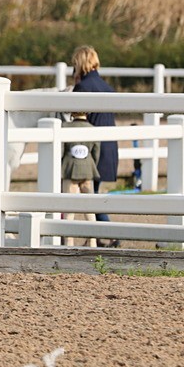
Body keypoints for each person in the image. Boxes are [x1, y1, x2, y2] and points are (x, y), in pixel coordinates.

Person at [70, 46, 119, 223]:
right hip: (109, 148)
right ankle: (100, 236)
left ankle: (107, 233)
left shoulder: (82, 87)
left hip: (91, 150)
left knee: (90, 196)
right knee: (93, 194)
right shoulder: (107, 87)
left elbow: (77, 121)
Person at [62, 112, 101, 244]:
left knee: (69, 209)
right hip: (87, 169)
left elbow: (60, 151)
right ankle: (93, 241)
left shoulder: (65, 127)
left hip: (70, 170)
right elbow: (96, 152)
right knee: (89, 210)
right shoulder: (92, 129)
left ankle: (68, 243)